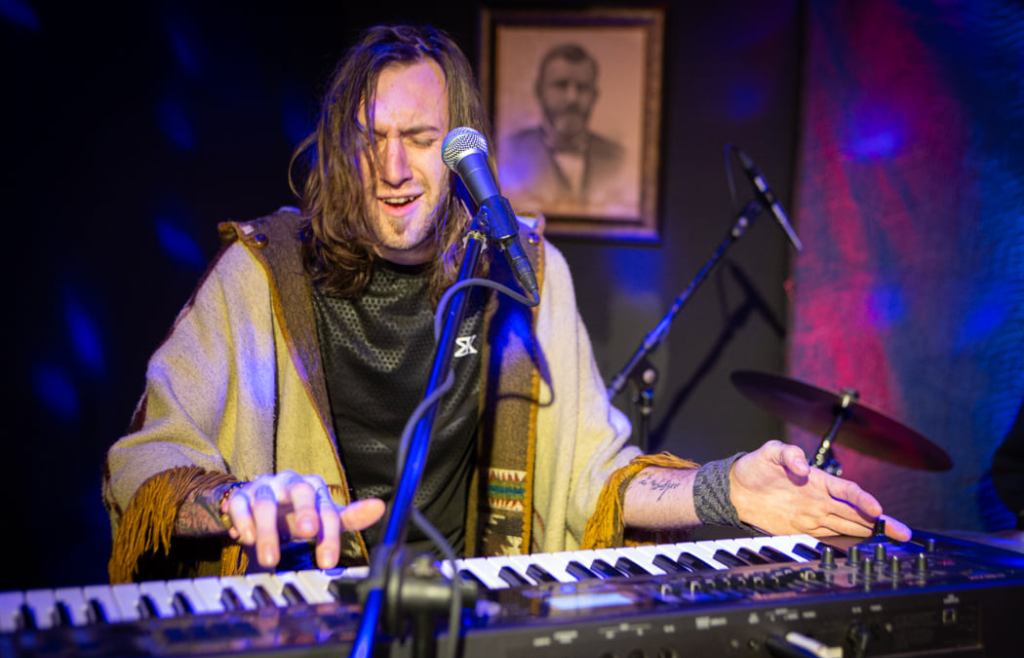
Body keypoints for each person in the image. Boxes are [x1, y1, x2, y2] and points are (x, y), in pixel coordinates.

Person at [103, 25, 909, 583]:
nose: (393, 168)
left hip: (463, 612)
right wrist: (236, 501)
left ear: (463, 146)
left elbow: (593, 477)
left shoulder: (522, 272)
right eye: (370, 138)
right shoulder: (263, 273)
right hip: (301, 616)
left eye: (422, 139)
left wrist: (727, 490)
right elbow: (146, 462)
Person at [500, 44, 633, 217]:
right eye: (561, 85)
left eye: (582, 87)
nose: (572, 98)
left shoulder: (618, 158)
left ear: (594, 95)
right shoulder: (511, 150)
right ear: (539, 91)